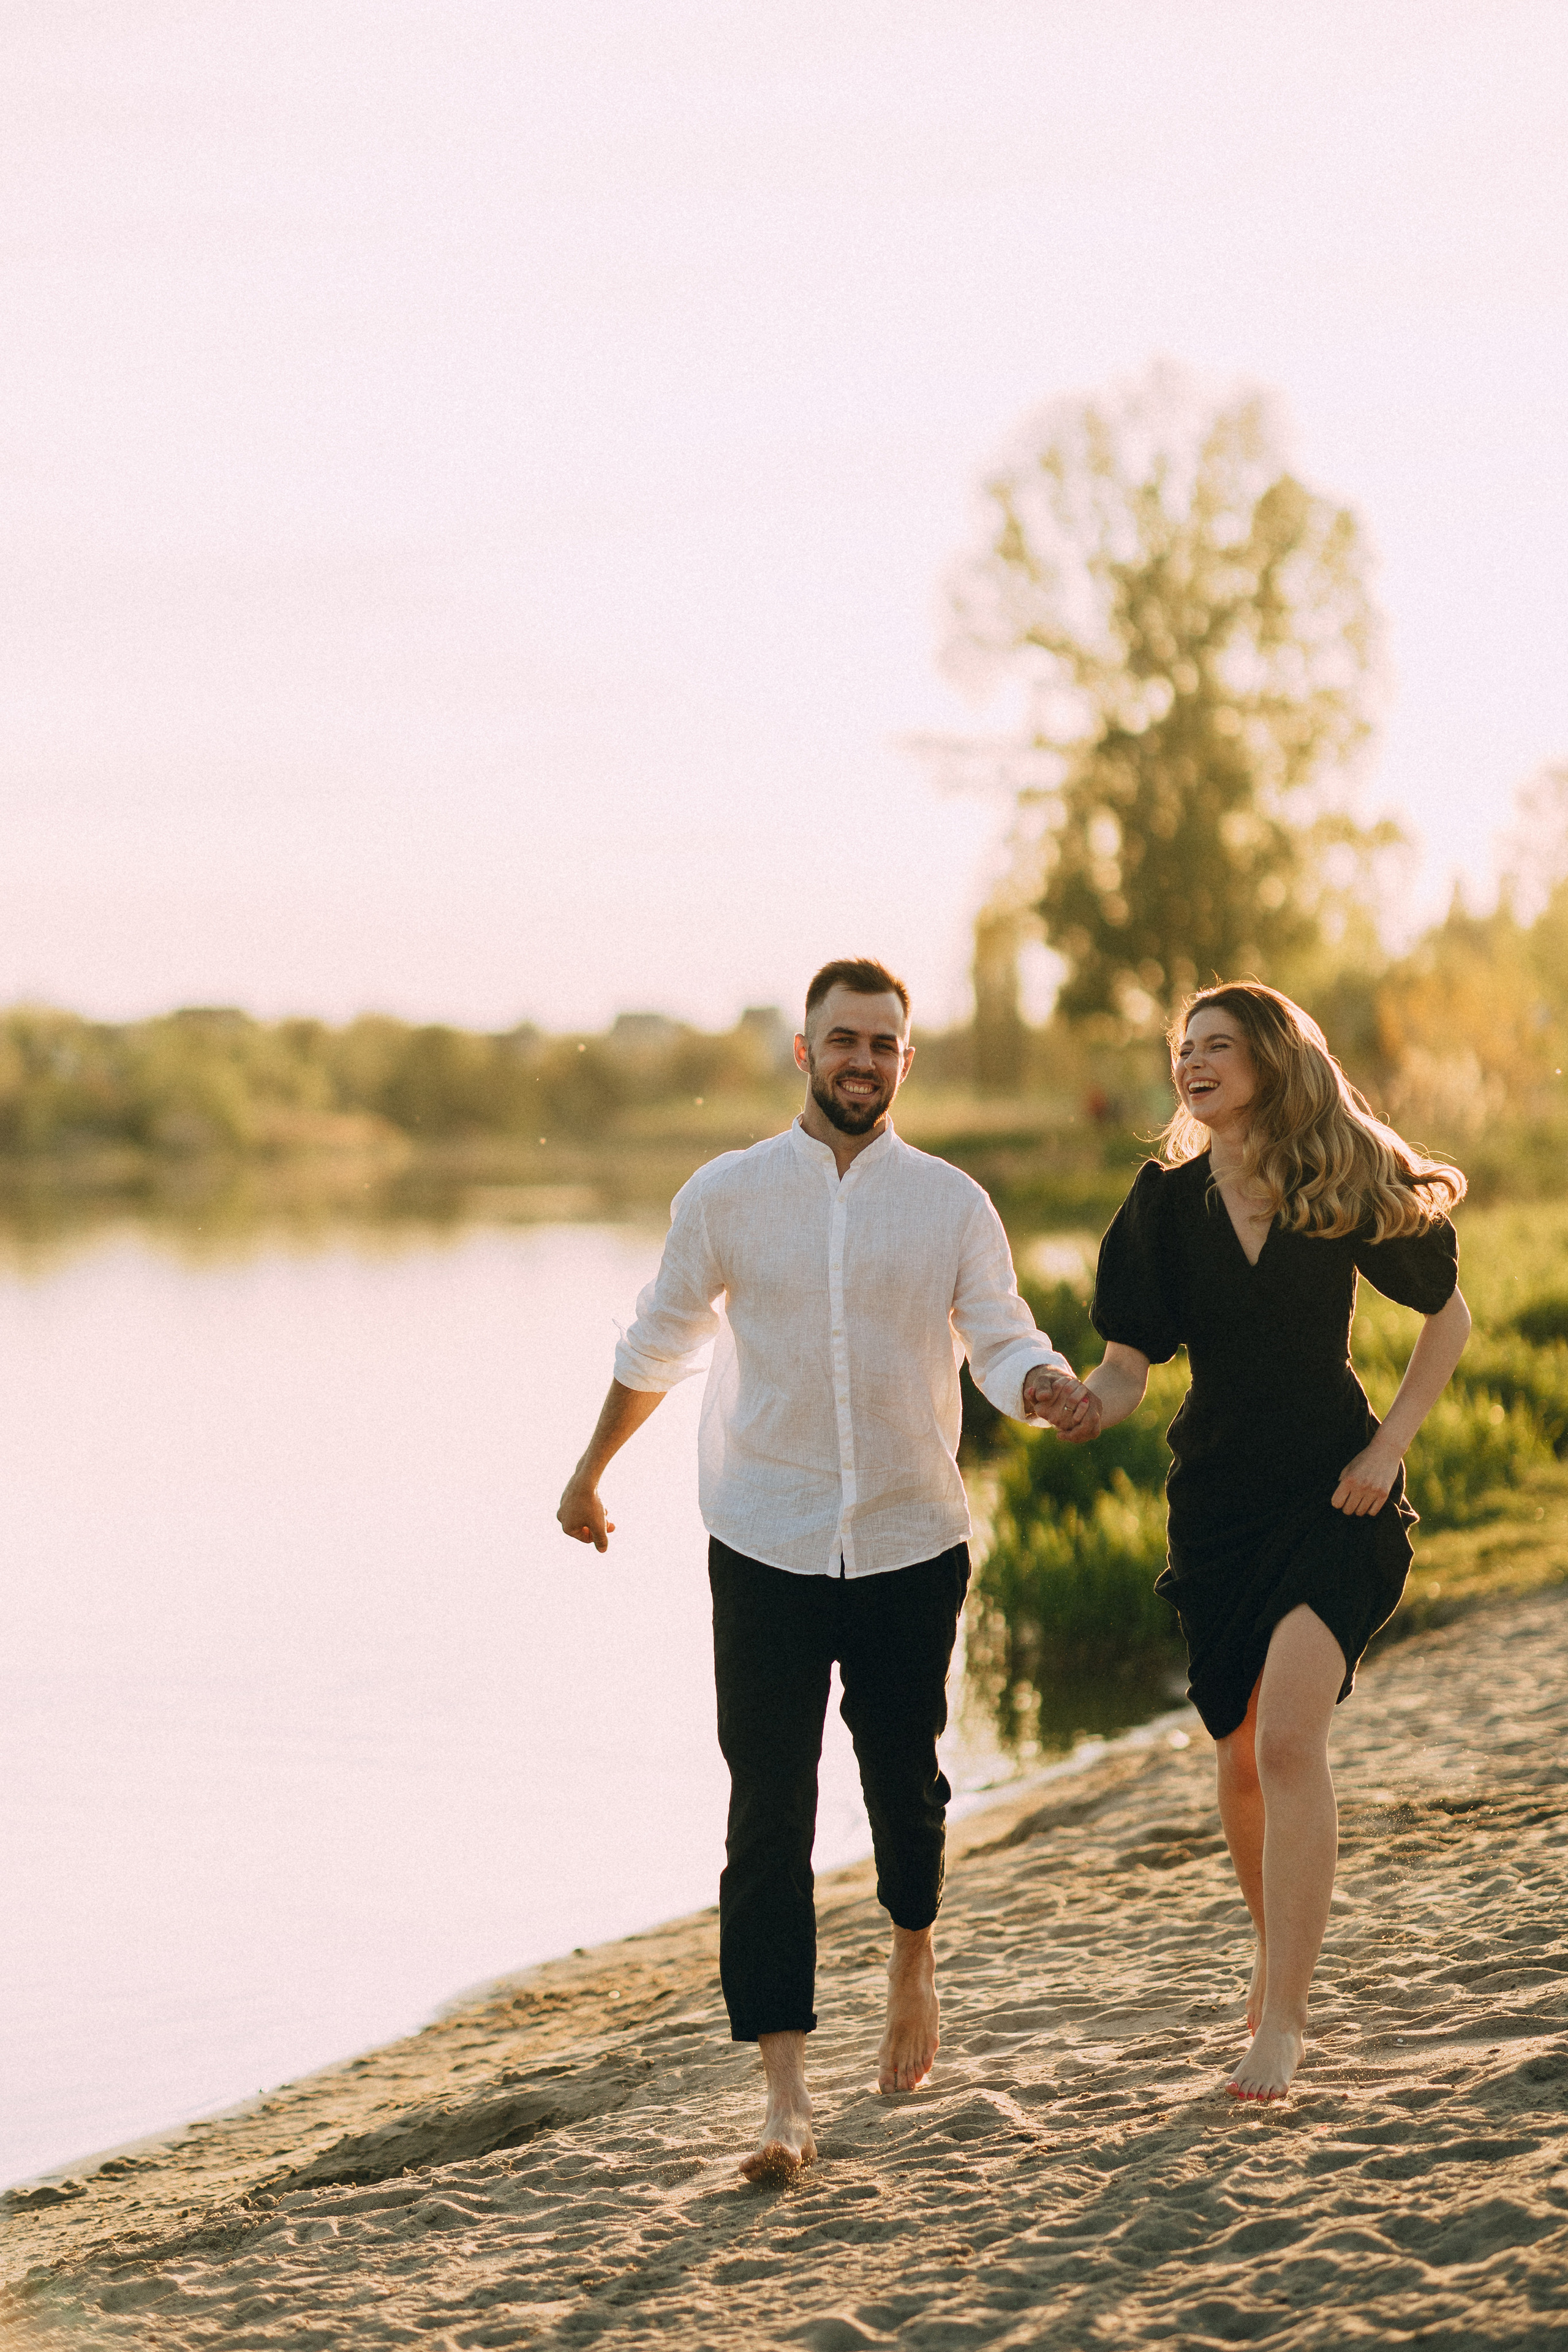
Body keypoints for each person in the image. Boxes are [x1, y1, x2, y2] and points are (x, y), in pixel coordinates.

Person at [557, 957, 1094, 2182]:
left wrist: (1041, 1386)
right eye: (841, 1039)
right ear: (801, 1053)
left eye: (883, 1044)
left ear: (907, 1060)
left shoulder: (952, 1202)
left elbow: (998, 1335)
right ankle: (783, 2099)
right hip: (764, 1538)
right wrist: (589, 1473)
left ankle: (913, 1950)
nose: (862, 1060)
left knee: (903, 1779)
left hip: (911, 1537)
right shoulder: (728, 1195)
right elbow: (658, 1340)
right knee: (766, 1812)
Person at [1063, 982, 1470, 2103]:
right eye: (1184, 1047)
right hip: (1219, 1507)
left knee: (1289, 1743)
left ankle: (1282, 2021)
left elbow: (1449, 1316)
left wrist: (1387, 1451)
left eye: (1218, 1046)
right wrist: (1084, 1405)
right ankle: (1275, 1959)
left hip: (1337, 1497)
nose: (1194, 1062)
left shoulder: (1330, 1182)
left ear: (1270, 1061)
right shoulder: (1163, 1205)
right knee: (1240, 1760)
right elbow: (1128, 1370)